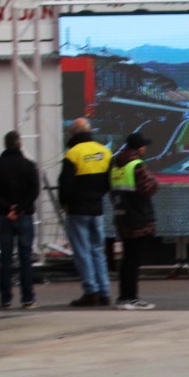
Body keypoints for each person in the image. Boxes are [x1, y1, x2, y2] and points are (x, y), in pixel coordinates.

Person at [0, 130, 42, 310]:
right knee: (25, 257)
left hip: (4, 216)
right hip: (24, 216)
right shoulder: (29, 165)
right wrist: (19, 208)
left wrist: (7, 207)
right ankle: (27, 298)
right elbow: (34, 191)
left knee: (6, 258)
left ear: (5, 144)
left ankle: (5, 298)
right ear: (20, 145)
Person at [59, 121, 112, 306]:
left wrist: (64, 204)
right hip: (97, 209)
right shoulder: (104, 151)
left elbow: (65, 186)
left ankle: (91, 291)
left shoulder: (73, 154)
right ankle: (105, 291)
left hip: (77, 209)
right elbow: (108, 182)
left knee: (82, 251)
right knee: (98, 249)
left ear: (73, 133)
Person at [109, 130, 157, 311]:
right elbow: (148, 188)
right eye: (144, 145)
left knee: (127, 259)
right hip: (139, 218)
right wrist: (154, 182)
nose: (145, 148)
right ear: (139, 147)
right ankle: (131, 297)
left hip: (122, 217)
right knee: (134, 261)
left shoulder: (116, 165)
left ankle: (124, 297)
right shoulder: (137, 165)